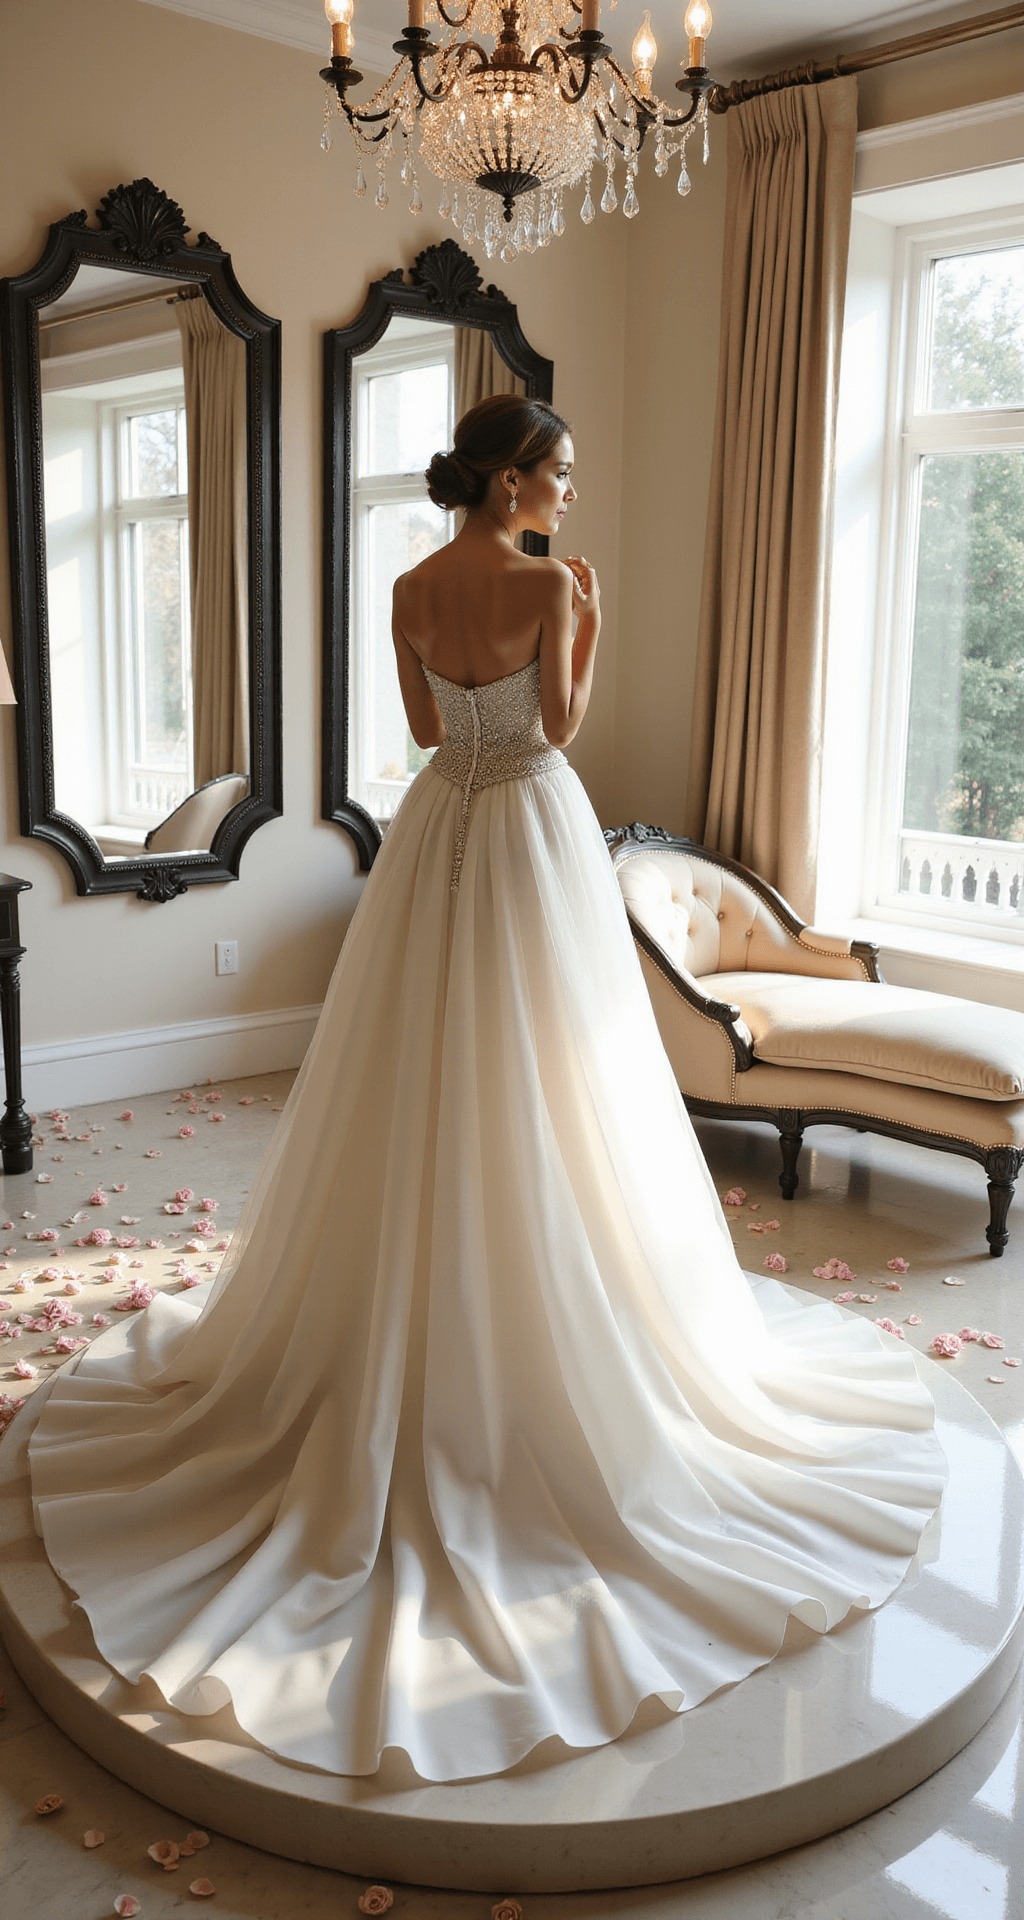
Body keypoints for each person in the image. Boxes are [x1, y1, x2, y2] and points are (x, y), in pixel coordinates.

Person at [28, 396, 946, 1787]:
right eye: (561, 473)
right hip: (528, 828)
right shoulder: (548, 581)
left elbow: (421, 728)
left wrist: (496, 693)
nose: (571, 493)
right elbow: (561, 727)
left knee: (425, 1060)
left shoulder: (408, 584)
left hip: (441, 828)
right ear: (512, 475)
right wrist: (586, 615)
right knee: (557, 1062)